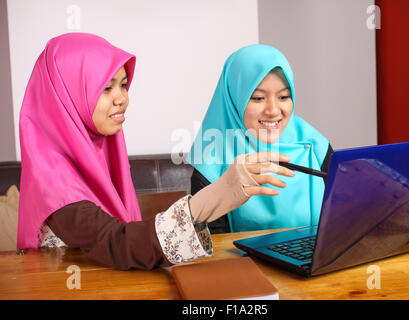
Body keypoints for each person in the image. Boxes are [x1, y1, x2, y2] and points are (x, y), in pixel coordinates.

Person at [16, 33, 293, 270]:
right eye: (106, 87)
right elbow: (117, 242)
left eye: (123, 84)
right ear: (66, 95)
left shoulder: (97, 153)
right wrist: (211, 199)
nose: (122, 98)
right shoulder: (53, 182)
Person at [188, 44, 333, 234]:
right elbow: (214, 247)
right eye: (257, 98)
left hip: (317, 260)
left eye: (283, 97)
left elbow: (345, 217)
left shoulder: (316, 146)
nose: (273, 111)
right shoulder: (212, 160)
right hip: (244, 263)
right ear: (234, 99)